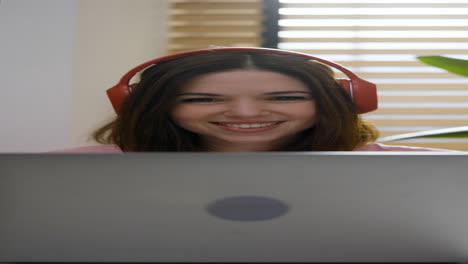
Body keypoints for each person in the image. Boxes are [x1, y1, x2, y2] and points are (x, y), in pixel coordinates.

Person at [52, 48, 453, 153]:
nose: (245, 113)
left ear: (340, 101)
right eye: (205, 98)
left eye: (284, 97)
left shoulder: (422, 170)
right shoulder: (65, 174)